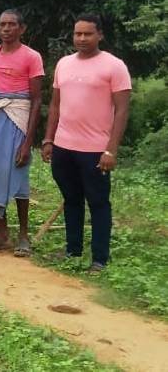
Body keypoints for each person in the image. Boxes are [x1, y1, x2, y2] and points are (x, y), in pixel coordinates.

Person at [41, 14, 130, 273]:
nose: (81, 38)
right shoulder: (64, 64)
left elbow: (122, 110)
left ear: (99, 35)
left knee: (98, 202)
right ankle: (73, 250)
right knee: (71, 199)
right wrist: (49, 139)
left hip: (95, 150)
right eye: (77, 33)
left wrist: (111, 149)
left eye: (87, 34)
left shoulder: (114, 66)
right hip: (64, 146)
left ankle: (99, 258)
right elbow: (56, 104)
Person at [0, 9, 44, 256]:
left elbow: (36, 100)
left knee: (19, 177)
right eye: (2, 24)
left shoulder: (32, 57)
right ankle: (1, 234)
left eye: (11, 24)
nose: (6, 29)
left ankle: (23, 236)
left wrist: (28, 142)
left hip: (18, 120)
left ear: (21, 29)